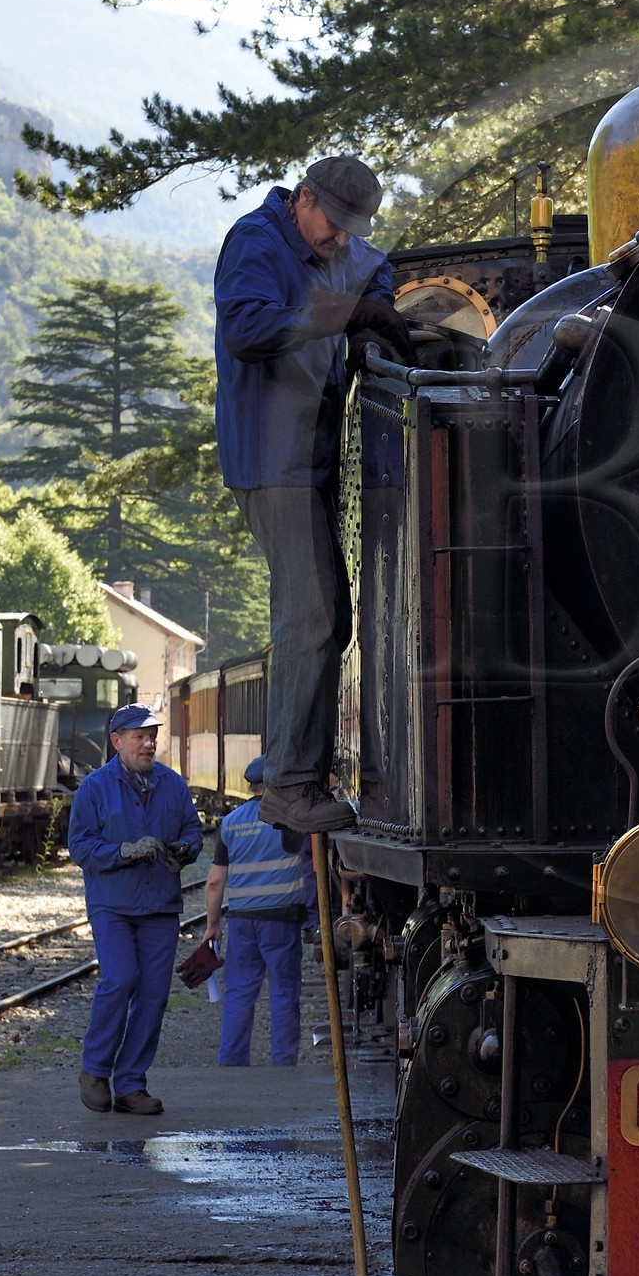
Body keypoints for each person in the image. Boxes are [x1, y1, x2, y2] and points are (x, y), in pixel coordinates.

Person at [214, 155, 413, 837]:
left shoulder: (339, 244)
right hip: (273, 456)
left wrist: (371, 314)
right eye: (333, 224)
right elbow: (247, 328)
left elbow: (372, 271)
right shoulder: (256, 242)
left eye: (349, 229)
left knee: (333, 616)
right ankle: (291, 785)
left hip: (311, 457)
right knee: (310, 617)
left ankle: (303, 773)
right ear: (303, 198)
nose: (338, 241)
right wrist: (345, 313)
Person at [67, 704, 204, 1116]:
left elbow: (192, 830)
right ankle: (94, 1070)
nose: (148, 744)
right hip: (113, 904)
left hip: (159, 905)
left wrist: (186, 850)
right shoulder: (94, 788)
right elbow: (80, 846)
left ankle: (130, 1085)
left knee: (153, 994)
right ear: (117, 741)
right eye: (139, 736)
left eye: (152, 736)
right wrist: (122, 851)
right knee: (121, 978)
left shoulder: (172, 785)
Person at [202, 754, 318, 1069]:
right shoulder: (290, 821)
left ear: (251, 785)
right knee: (283, 993)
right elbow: (313, 868)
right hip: (281, 920)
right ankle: (283, 1064)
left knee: (239, 993)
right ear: (274, 784)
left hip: (242, 922)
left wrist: (213, 924)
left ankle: (231, 1062)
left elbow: (215, 881)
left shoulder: (231, 823)